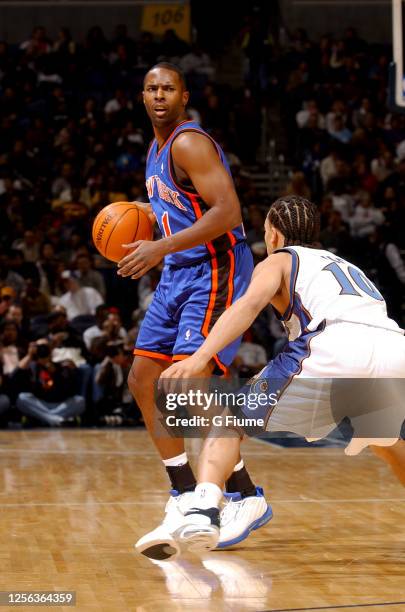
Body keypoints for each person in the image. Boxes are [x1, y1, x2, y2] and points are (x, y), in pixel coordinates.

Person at [161, 195, 405, 554]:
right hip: (394, 347)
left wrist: (199, 358)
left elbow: (248, 306)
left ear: (273, 234)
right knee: (388, 444)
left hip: (334, 343)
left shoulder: (279, 260)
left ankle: (203, 510)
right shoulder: (348, 265)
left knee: (228, 419)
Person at [117, 63, 271, 560]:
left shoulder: (189, 143)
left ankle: (243, 497)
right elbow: (178, 209)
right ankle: (184, 491)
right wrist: (150, 240)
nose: (160, 95)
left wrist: (160, 247)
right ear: (141, 96)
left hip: (215, 268)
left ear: (184, 96)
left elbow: (228, 213)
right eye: (152, 88)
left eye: (168, 88)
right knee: (143, 379)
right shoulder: (154, 150)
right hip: (178, 273)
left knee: (188, 384)